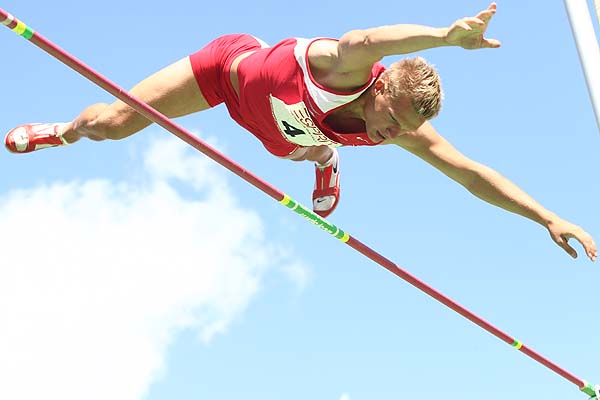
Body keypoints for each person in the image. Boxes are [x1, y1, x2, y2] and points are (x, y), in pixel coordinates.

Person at [4, 3, 597, 261]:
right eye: (391, 120)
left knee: (296, 147)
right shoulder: (346, 67)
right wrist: (445, 36)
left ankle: (323, 159)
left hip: (280, 131)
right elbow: (368, 39)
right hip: (225, 74)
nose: (391, 134)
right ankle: (64, 131)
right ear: (380, 88)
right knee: (109, 124)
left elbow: (472, 175)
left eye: (403, 130)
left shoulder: (404, 129)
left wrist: (546, 217)